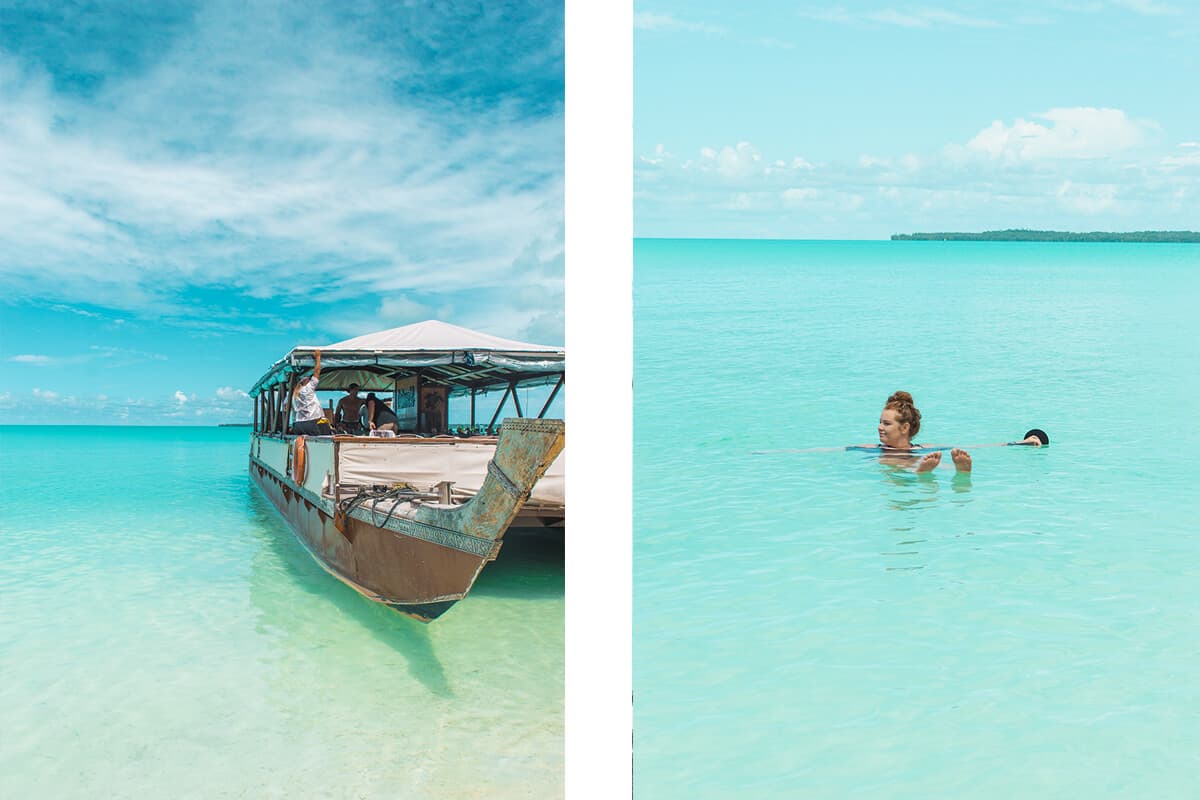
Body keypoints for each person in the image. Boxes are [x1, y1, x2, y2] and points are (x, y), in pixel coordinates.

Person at [856, 390, 972, 473]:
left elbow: (957, 448)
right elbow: (843, 449)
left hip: (908, 464)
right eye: (880, 422)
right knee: (894, 461)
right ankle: (921, 471)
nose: (879, 427)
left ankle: (960, 470)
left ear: (905, 428)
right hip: (909, 462)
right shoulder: (872, 447)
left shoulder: (922, 448)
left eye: (886, 423)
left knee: (912, 461)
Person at [290, 350, 330, 436]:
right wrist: (318, 357)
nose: (310, 378)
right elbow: (317, 371)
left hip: (298, 423)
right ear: (306, 381)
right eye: (309, 378)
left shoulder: (295, 393)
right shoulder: (308, 388)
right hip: (310, 422)